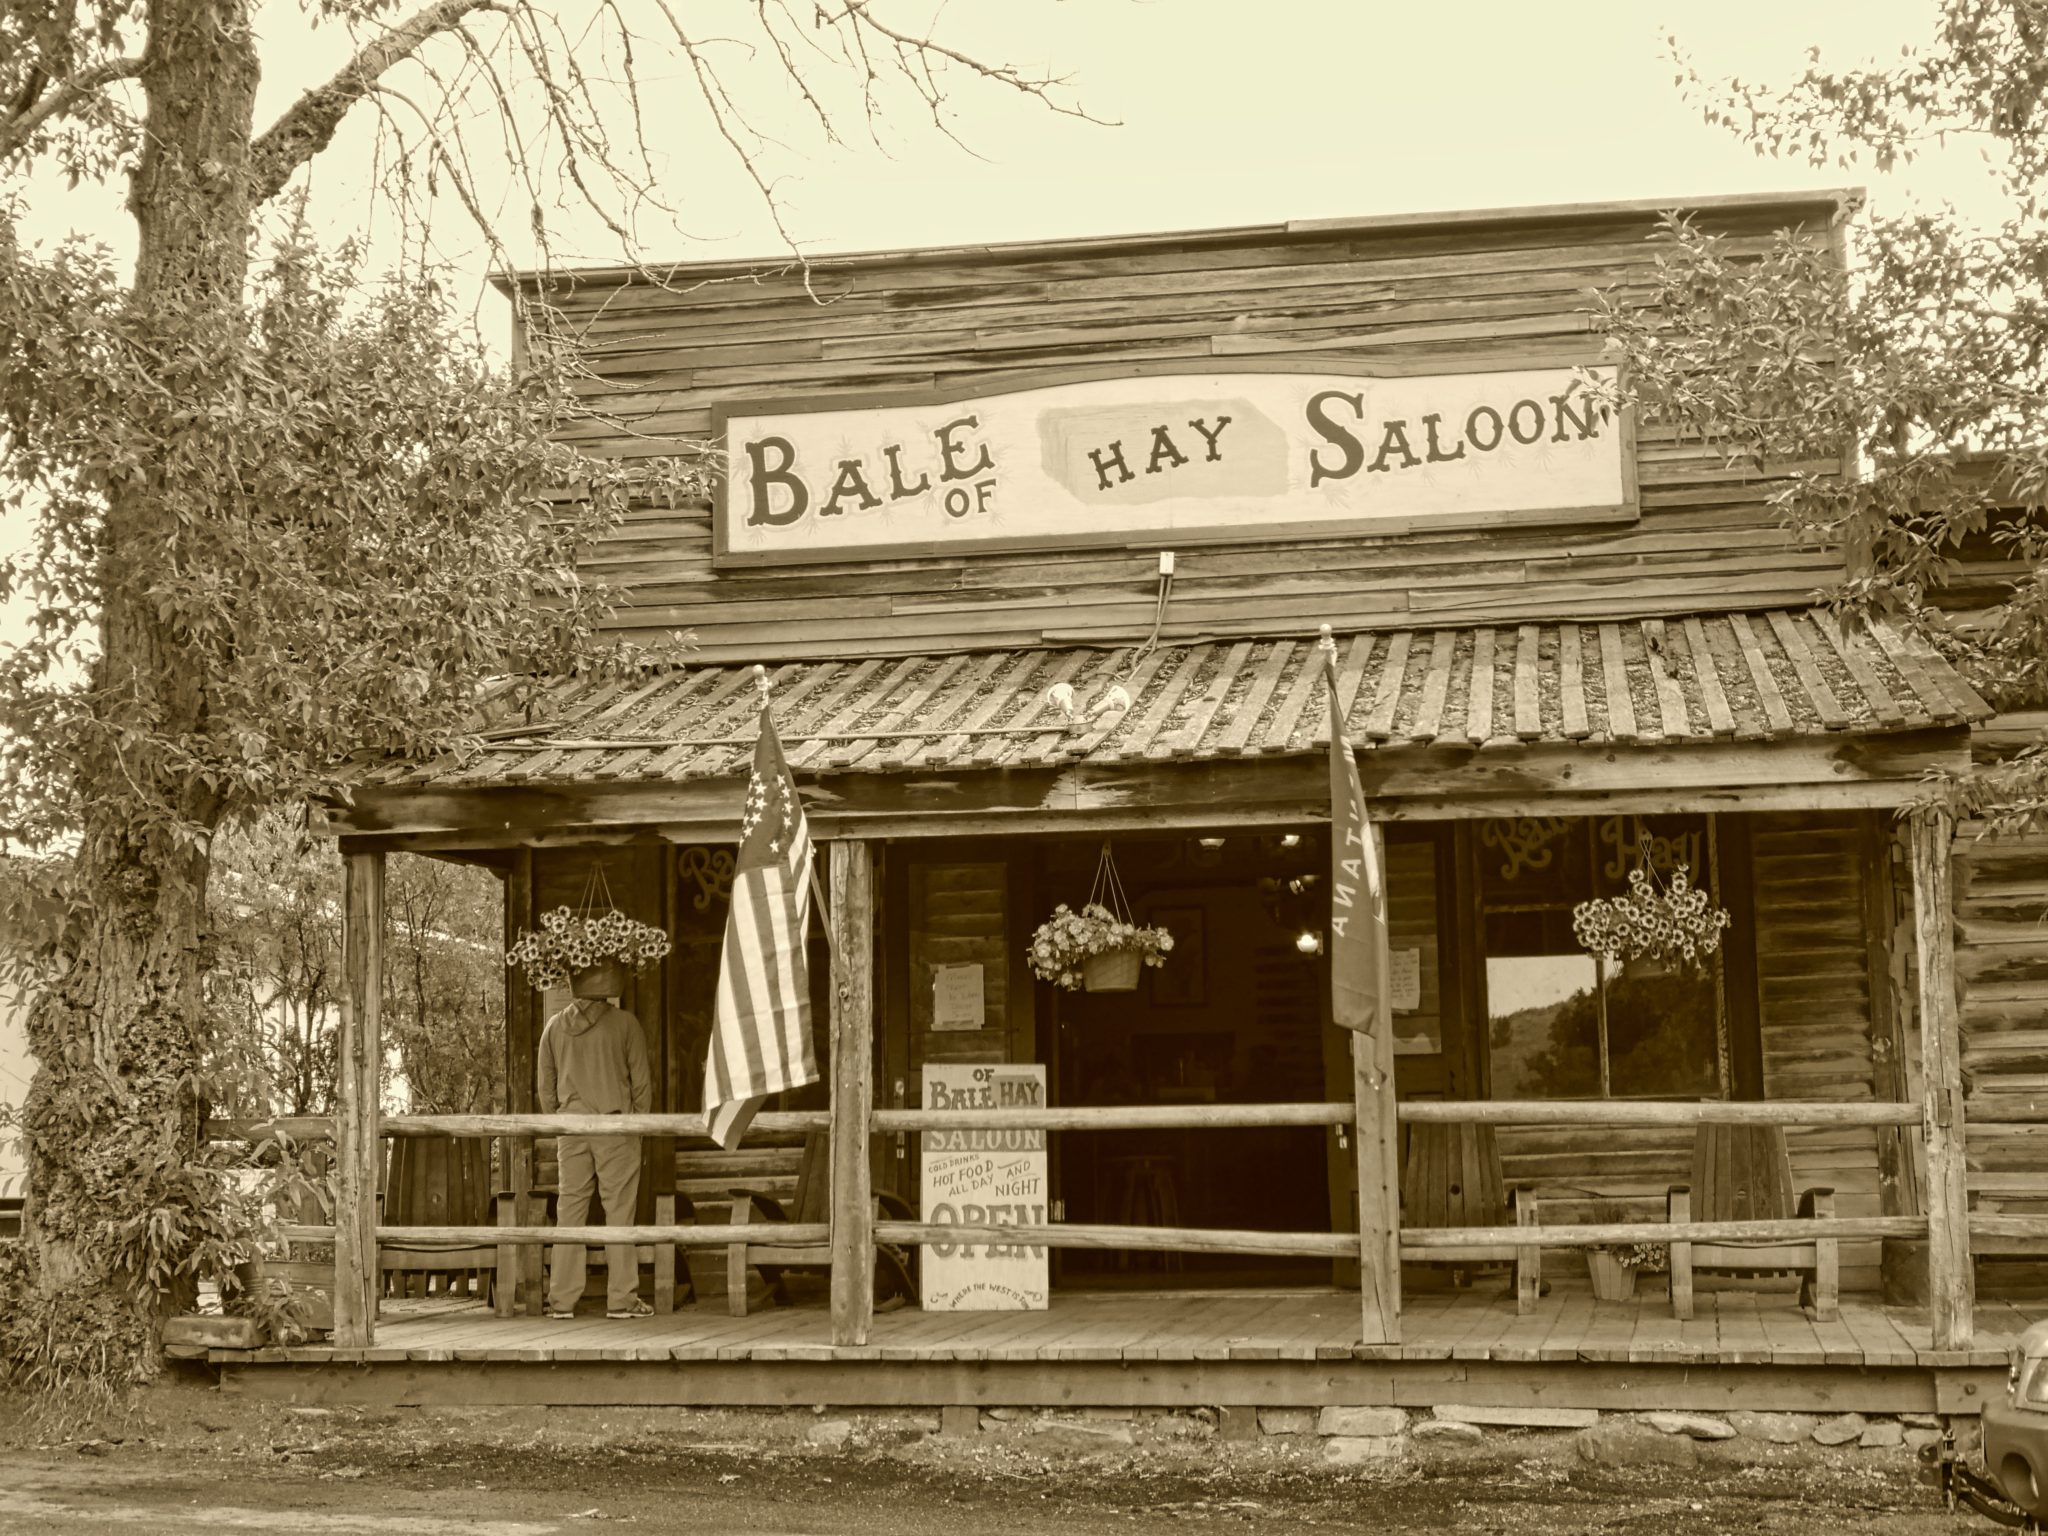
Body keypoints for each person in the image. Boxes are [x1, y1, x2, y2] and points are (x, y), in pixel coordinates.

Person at [537, 964, 655, 1319]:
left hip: (571, 1129)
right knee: (619, 1211)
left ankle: (561, 1302)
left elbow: (545, 1087)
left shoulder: (554, 1027)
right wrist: (637, 1126)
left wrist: (560, 1119)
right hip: (614, 1126)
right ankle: (621, 1300)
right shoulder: (625, 1024)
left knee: (569, 1212)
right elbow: (642, 1085)